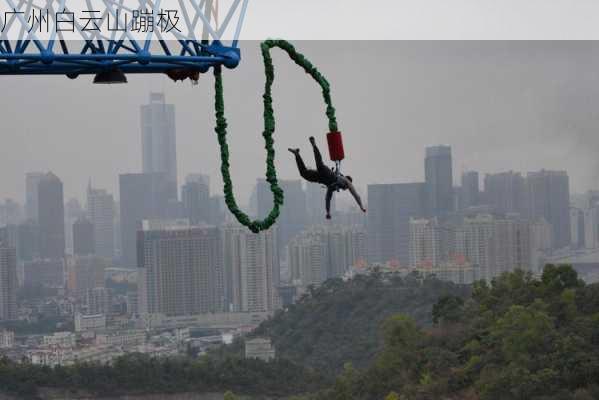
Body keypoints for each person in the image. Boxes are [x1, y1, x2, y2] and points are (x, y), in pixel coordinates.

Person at [289, 136, 366, 219]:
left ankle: (297, 154)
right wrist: (361, 206)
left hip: (319, 178)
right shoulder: (345, 181)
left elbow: (327, 199)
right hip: (327, 173)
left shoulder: (333, 187)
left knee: (304, 174)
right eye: (347, 188)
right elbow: (355, 195)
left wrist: (328, 212)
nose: (346, 189)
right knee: (319, 164)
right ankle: (314, 145)